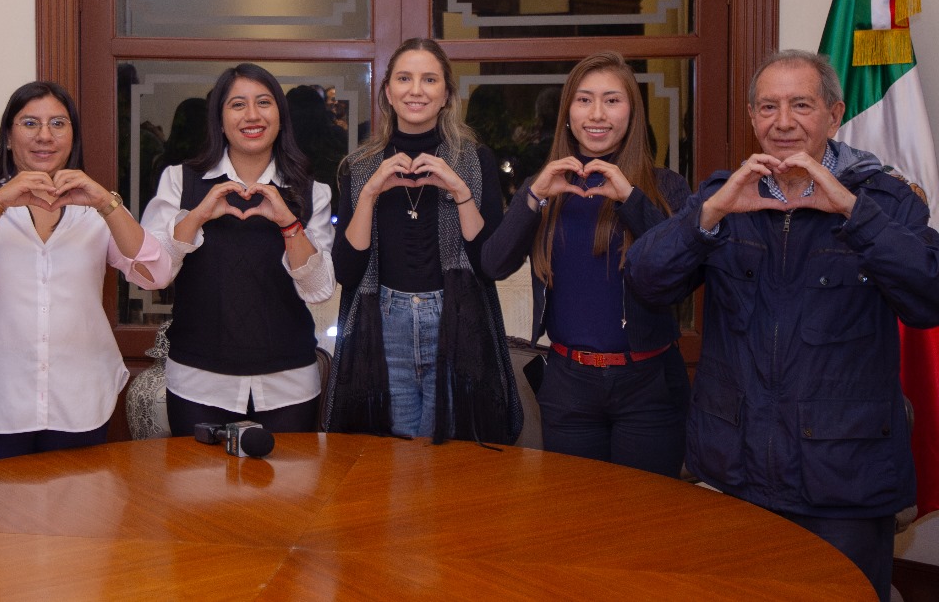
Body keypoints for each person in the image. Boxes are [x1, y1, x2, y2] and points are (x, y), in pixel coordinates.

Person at [625, 50, 939, 600]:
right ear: (752, 117)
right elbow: (646, 281)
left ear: (835, 115)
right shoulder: (726, 196)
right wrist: (708, 216)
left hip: (845, 482)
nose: (783, 121)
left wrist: (853, 213)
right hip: (736, 473)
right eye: (768, 107)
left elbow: (929, 298)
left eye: (801, 105)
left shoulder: (884, 201)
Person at [0, 82, 172, 463]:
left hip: (80, 402)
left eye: (58, 123)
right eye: (30, 123)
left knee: (78, 503)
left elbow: (156, 275)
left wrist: (105, 203)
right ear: (9, 137)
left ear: (72, 136)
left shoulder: (98, 207)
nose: (45, 135)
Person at [480, 51, 690, 476]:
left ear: (632, 112)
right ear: (567, 113)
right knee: (577, 510)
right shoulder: (546, 187)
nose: (597, 114)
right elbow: (494, 264)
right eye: (584, 100)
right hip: (568, 386)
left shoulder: (665, 186)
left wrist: (630, 199)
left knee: (647, 511)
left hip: (648, 385)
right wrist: (533, 195)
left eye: (612, 100)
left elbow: (679, 275)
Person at [324, 38, 521, 445]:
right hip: (384, 323)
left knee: (450, 456)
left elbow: (488, 265)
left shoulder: (474, 159)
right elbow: (347, 271)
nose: (416, 90)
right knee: (392, 458)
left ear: (446, 94)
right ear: (387, 92)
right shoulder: (359, 166)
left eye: (429, 79)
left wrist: (459, 190)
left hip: (456, 320)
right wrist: (370, 193)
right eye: (404, 79)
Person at [140, 63, 335, 434]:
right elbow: (152, 272)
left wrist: (288, 223)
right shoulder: (180, 181)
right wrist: (197, 215)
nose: (252, 115)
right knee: (195, 476)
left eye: (264, 102)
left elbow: (319, 290)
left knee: (291, 476)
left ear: (281, 115)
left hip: (288, 382)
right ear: (220, 118)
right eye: (237, 105)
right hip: (198, 380)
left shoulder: (312, 192)